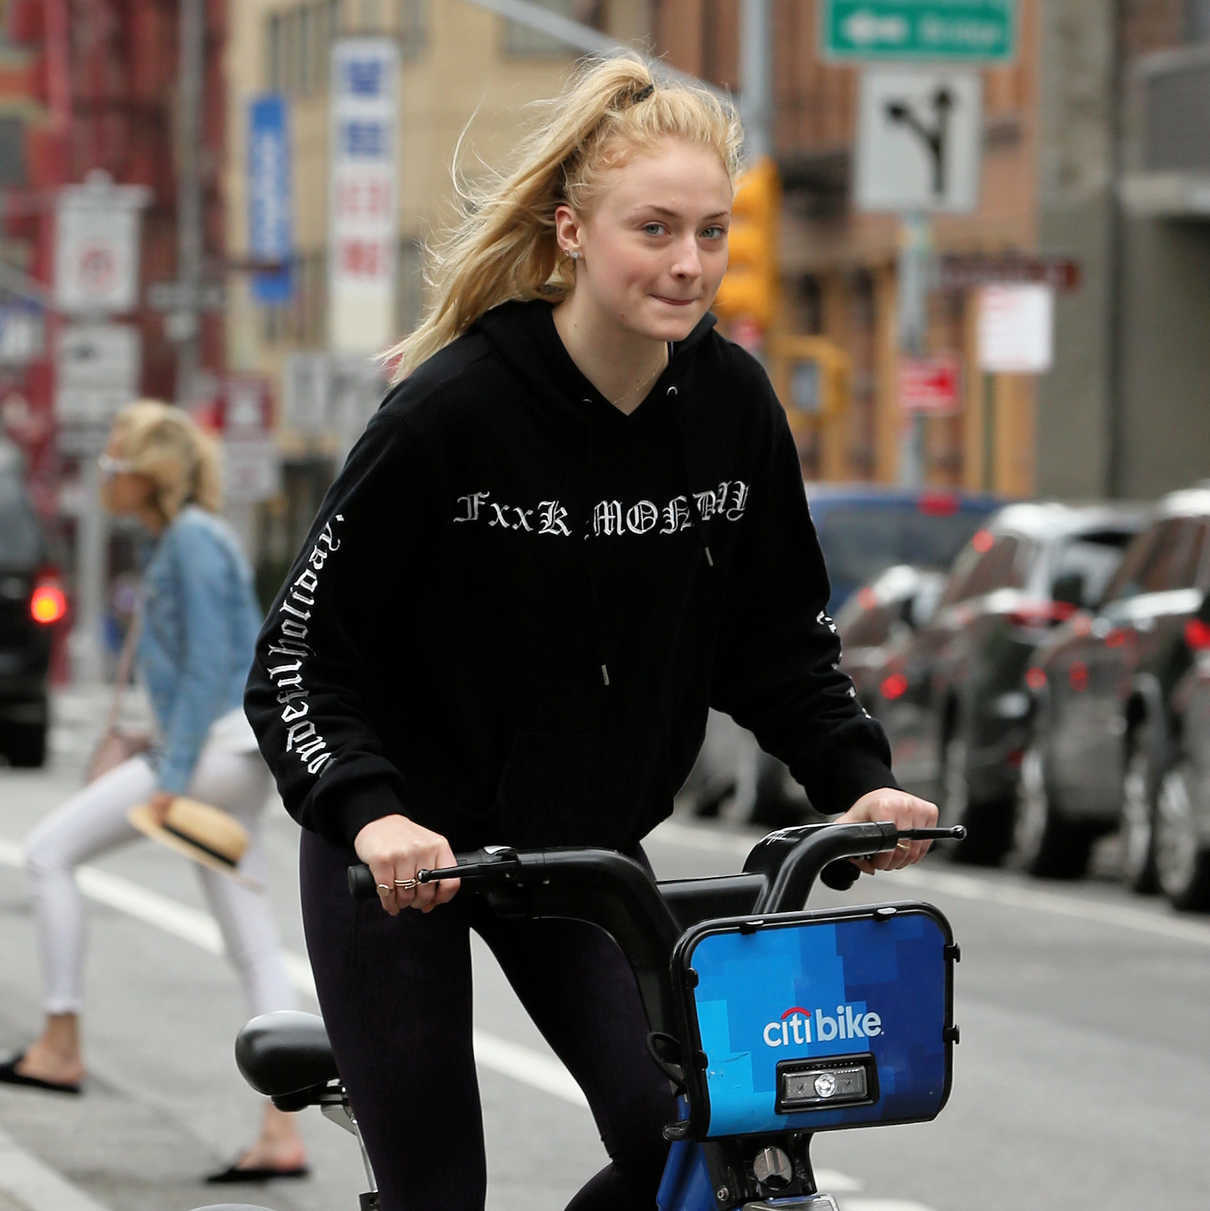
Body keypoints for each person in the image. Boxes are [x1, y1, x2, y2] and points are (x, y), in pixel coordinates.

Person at [244, 53, 938, 1211]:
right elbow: (298, 655)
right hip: (406, 859)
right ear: (570, 230)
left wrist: (857, 782)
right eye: (653, 228)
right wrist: (374, 815)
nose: (687, 263)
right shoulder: (452, 410)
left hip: (578, 850)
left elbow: (775, 639)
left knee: (694, 1145)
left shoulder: (730, 407)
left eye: (712, 233)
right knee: (439, 1192)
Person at [1, 400, 309, 1184]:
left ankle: (60, 1042)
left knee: (48, 853)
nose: (105, 469)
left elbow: (216, 665)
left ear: (150, 473)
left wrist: (168, 777)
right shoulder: (181, 539)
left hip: (212, 754)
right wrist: (150, 739)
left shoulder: (193, 544)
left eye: (116, 456)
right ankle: (282, 1127)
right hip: (225, 752)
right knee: (249, 936)